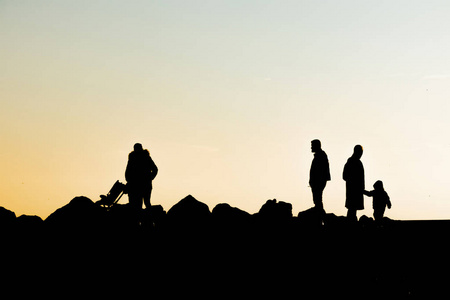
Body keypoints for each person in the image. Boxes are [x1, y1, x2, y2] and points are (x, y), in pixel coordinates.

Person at [125, 143, 158, 211]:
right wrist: (129, 181)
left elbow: (155, 169)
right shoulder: (132, 158)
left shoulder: (146, 157)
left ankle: (148, 220)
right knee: (138, 204)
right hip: (136, 185)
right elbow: (127, 172)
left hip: (145, 185)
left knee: (146, 203)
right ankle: (143, 219)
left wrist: (149, 178)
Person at [343, 145, 365, 222]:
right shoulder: (353, 162)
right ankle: (350, 222)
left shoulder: (352, 162)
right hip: (354, 190)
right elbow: (345, 176)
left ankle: (351, 222)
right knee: (352, 208)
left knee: (352, 208)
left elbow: (344, 176)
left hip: (354, 190)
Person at [309, 139, 331, 211]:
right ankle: (321, 217)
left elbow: (320, 171)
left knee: (318, 201)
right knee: (317, 201)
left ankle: (322, 217)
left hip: (318, 182)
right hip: (317, 182)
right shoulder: (320, 155)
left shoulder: (321, 156)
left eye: (312, 146)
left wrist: (316, 182)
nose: (311, 148)